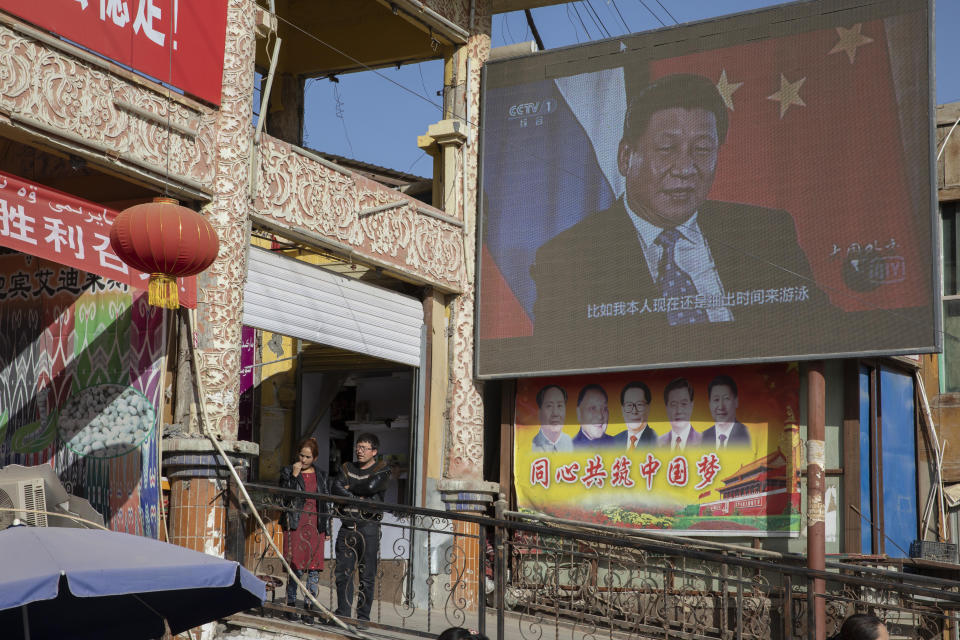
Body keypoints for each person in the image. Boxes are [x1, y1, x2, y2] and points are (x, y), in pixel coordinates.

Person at [529, 73, 829, 364]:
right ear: (625, 157)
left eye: (702, 149)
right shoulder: (569, 256)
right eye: (667, 148)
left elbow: (823, 329)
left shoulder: (764, 231)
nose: (685, 168)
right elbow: (561, 356)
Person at [331, 433, 391, 625]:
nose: (360, 451)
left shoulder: (382, 468)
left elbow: (371, 486)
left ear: (374, 451)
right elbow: (336, 487)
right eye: (358, 447)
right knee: (343, 573)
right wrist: (357, 497)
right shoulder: (347, 467)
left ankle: (363, 618)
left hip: (369, 528)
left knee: (367, 575)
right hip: (347, 526)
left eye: (364, 448)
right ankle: (343, 614)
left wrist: (352, 488)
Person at [278, 437, 329, 623]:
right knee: (296, 567)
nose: (304, 460)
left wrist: (327, 528)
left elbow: (325, 503)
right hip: (296, 523)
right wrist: (293, 475)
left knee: (314, 568)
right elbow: (285, 497)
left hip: (315, 523)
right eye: (301, 455)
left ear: (315, 458)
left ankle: (309, 607)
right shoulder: (287, 471)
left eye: (308, 457)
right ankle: (290, 605)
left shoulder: (322, 475)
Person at [701, 374, 752, 449]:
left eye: (726, 398)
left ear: (736, 401)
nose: (721, 407)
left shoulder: (748, 435)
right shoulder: (702, 438)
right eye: (716, 400)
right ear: (709, 404)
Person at [656, 378, 702, 450]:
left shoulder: (704, 441)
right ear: (666, 408)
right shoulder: (657, 443)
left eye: (683, 404)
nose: (679, 411)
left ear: (691, 405)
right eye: (673, 404)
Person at [613, 381, 657, 449]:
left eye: (639, 404)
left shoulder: (657, 441)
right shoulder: (614, 441)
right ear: (622, 410)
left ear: (648, 408)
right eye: (629, 405)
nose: (634, 411)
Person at [531, 384, 573, 452]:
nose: (555, 413)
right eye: (549, 406)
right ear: (539, 413)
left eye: (559, 406)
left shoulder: (571, 444)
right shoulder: (531, 446)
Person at [571, 384, 616, 448]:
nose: (600, 416)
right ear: (579, 413)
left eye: (604, 408)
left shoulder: (617, 443)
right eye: (593, 408)